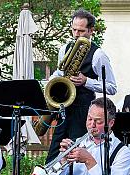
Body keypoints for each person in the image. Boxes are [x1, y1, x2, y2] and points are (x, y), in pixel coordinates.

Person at [46, 9, 117, 164]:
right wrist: (50, 83)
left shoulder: (99, 55)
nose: (76, 34)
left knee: (75, 155)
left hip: (83, 112)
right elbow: (60, 72)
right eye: (74, 30)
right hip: (64, 108)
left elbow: (112, 87)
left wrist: (87, 81)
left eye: (81, 31)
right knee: (54, 156)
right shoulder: (65, 48)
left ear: (91, 31)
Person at [47, 97, 130, 175]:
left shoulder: (122, 153)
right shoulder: (76, 143)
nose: (92, 125)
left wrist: (89, 161)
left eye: (98, 121)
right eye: (89, 119)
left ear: (111, 123)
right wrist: (62, 162)